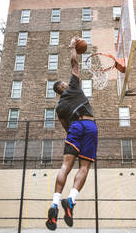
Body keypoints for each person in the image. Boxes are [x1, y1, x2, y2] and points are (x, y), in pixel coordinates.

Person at [45, 37, 98, 231]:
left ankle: (54, 204)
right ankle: (71, 200)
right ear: (64, 86)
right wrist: (72, 47)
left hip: (74, 128)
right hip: (90, 126)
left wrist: (73, 136)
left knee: (65, 166)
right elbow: (75, 63)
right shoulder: (74, 86)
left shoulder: (59, 106)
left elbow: (65, 126)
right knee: (84, 167)